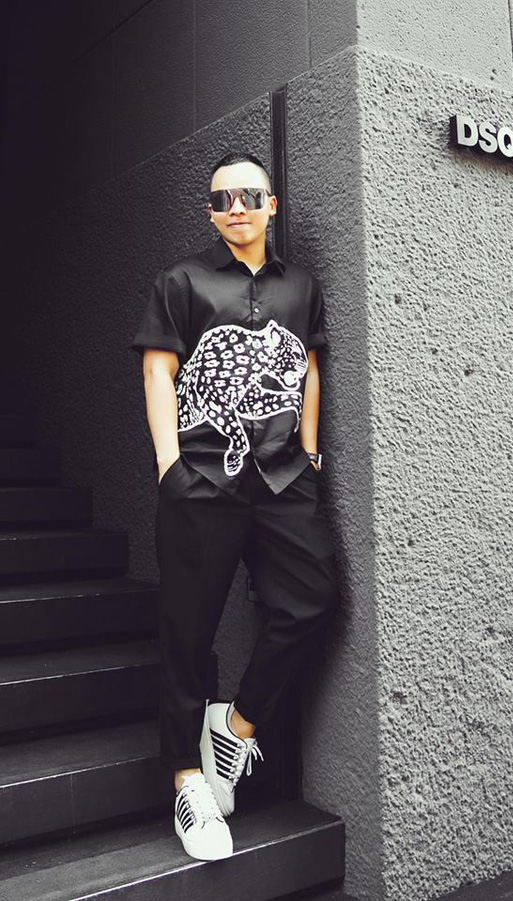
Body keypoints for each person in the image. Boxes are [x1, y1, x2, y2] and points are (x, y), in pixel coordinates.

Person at [130, 150, 340, 860]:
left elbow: (308, 366)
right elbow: (159, 372)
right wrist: (169, 467)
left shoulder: (301, 286)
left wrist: (310, 451)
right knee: (187, 631)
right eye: (222, 200)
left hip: (283, 477)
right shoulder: (182, 281)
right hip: (202, 478)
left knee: (312, 598)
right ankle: (188, 781)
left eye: (249, 195)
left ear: (272, 204)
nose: (237, 208)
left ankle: (236, 727)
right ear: (212, 213)